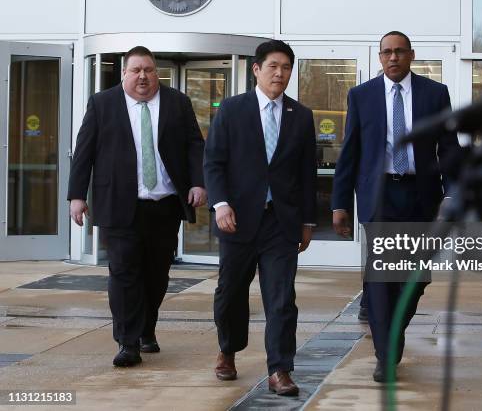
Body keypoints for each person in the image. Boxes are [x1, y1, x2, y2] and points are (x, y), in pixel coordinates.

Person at [332, 31, 459, 382]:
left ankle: (392, 333)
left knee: (416, 278)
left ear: (411, 55)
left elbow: (448, 147)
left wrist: (452, 194)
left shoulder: (435, 94)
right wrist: (340, 203)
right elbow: (350, 153)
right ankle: (385, 355)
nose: (392, 58)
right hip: (379, 196)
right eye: (386, 52)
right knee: (379, 280)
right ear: (379, 57)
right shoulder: (362, 96)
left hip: (421, 197)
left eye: (399, 52)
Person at [67, 46, 206, 367]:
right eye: (136, 70)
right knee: (124, 273)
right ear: (124, 74)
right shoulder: (103, 104)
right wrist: (77, 195)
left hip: (164, 205)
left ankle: (146, 329)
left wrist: (198, 182)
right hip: (119, 204)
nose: (143, 76)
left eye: (149, 70)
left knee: (156, 274)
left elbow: (194, 146)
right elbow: (84, 151)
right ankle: (127, 342)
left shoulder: (177, 103)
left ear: (157, 72)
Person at [204, 40, 317, 397]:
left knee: (282, 297)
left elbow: (307, 174)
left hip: (280, 223)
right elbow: (214, 162)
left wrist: (308, 221)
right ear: (256, 69)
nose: (280, 73)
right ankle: (228, 350)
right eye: (273, 66)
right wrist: (220, 203)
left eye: (286, 67)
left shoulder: (300, 116)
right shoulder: (232, 110)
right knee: (231, 293)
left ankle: (280, 368)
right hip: (237, 219)